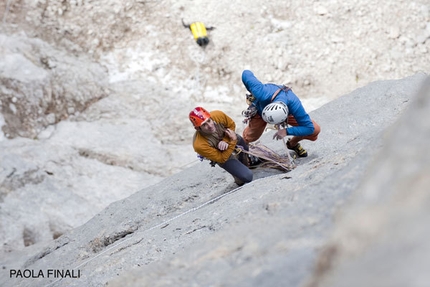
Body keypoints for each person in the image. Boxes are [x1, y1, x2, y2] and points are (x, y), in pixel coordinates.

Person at [241, 69, 321, 157]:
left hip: (286, 112)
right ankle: (242, 149)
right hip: (260, 111)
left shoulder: (294, 105)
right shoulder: (261, 92)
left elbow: (309, 128)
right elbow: (246, 73)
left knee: (315, 131)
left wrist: (286, 131)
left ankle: (292, 144)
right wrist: (252, 92)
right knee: (250, 137)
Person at [189, 106, 258, 186]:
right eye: (204, 125)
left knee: (244, 147)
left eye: (209, 121)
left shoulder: (218, 115)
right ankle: (239, 177)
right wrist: (232, 141)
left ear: (211, 117)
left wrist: (225, 140)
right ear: (197, 128)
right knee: (247, 177)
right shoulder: (199, 145)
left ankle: (245, 164)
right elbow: (221, 158)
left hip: (228, 138)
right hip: (220, 153)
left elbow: (231, 124)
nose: (210, 126)